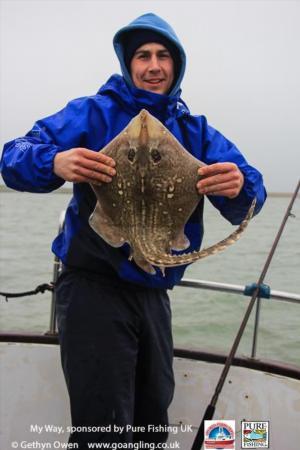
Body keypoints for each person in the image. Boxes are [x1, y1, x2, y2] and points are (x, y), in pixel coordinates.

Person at [0, 12, 266, 448]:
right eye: (142, 56)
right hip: (92, 289)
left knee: (151, 420)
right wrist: (53, 162)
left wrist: (241, 186)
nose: (154, 66)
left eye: (164, 56)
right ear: (128, 63)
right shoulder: (92, 113)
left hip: (154, 292)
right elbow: (14, 154)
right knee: (103, 428)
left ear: (177, 66)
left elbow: (246, 198)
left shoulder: (193, 130)